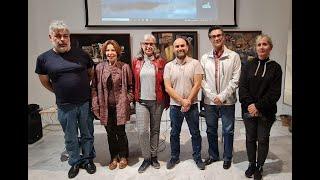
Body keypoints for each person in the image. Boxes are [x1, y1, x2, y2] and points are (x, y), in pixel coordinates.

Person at [35, 20, 96, 179]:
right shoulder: (43, 59)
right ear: (51, 37)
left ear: (69, 37)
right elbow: (44, 81)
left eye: (65, 36)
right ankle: (75, 162)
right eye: (58, 36)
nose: (62, 39)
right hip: (64, 106)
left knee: (87, 133)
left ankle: (88, 159)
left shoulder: (82, 54)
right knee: (70, 136)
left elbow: (90, 74)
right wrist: (61, 92)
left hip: (84, 103)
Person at [239, 34, 282, 180]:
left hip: (266, 112)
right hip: (248, 110)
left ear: (270, 47)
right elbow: (242, 88)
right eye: (259, 45)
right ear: (255, 47)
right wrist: (250, 105)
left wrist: (258, 106)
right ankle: (252, 164)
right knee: (250, 138)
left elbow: (274, 93)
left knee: (263, 139)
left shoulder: (276, 68)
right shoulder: (248, 65)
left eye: (265, 44)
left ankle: (260, 166)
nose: (261, 47)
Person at [200, 25, 241, 169]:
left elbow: (236, 79)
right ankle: (213, 155)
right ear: (210, 39)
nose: (216, 38)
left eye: (219, 35)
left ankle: (227, 157)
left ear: (223, 37)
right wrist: (212, 96)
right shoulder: (204, 58)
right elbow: (202, 79)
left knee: (228, 130)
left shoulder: (234, 56)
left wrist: (222, 96)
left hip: (228, 101)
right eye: (213, 36)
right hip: (209, 102)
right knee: (211, 129)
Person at [91, 39, 134, 170]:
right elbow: (94, 88)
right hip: (105, 107)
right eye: (108, 50)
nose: (110, 53)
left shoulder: (124, 67)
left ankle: (123, 156)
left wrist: (127, 99)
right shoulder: (98, 68)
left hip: (120, 106)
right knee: (110, 133)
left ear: (117, 52)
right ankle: (113, 157)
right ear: (104, 52)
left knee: (121, 132)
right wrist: (95, 104)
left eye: (113, 50)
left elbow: (131, 88)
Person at [163, 37, 205, 170]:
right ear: (173, 49)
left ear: (187, 47)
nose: (180, 48)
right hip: (175, 106)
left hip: (192, 105)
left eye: (182, 46)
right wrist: (182, 101)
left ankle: (197, 157)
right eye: (177, 46)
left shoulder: (195, 63)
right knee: (174, 133)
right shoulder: (168, 66)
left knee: (195, 133)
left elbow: (198, 84)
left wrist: (188, 101)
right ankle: (174, 157)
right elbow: (167, 87)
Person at [132, 34, 169, 173]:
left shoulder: (161, 62)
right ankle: (146, 158)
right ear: (142, 45)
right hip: (141, 101)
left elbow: (165, 83)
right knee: (142, 132)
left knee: (155, 130)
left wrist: (166, 101)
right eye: (146, 43)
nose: (148, 46)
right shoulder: (136, 61)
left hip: (157, 101)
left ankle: (153, 157)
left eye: (151, 44)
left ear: (155, 46)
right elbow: (133, 81)